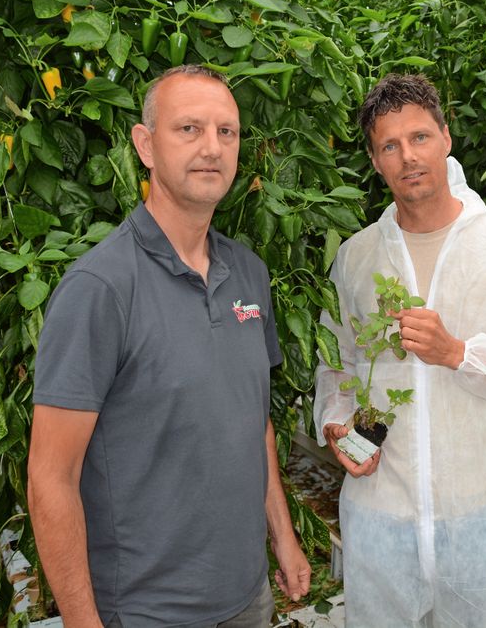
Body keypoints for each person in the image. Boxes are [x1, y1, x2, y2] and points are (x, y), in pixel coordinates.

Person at [28, 65, 310, 628]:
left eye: (226, 132)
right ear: (145, 145)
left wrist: (283, 536)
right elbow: (50, 478)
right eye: (189, 129)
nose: (212, 148)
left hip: (247, 598)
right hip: (145, 610)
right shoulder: (101, 289)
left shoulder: (248, 274)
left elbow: (253, 421)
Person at [314, 73, 486, 627]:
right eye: (389, 146)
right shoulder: (357, 258)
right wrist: (336, 423)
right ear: (374, 160)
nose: (407, 157)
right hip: (380, 517)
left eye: (419, 137)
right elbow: (335, 362)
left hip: (482, 518)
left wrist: (461, 354)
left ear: (445, 137)